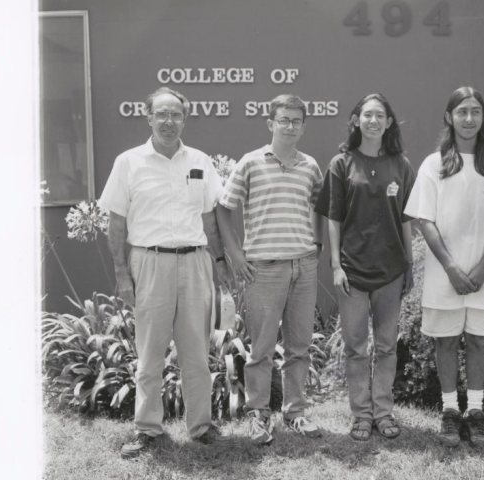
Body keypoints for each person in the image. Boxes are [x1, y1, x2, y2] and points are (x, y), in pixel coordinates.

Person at [99, 87, 236, 459]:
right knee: (150, 353)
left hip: (195, 263)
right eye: (162, 114)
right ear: (149, 118)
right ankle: (148, 429)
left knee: (196, 352)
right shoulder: (128, 162)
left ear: (185, 118)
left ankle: (202, 427)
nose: (169, 121)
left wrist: (220, 263)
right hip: (149, 263)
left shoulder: (200, 161)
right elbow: (116, 222)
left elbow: (209, 218)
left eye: (176, 114)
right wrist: (122, 273)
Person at [404, 86, 484, 447]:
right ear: (448, 117)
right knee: (446, 340)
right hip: (445, 273)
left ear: (483, 117)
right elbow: (425, 220)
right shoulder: (433, 164)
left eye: (475, 112)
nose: (469, 119)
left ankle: (477, 411)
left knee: (480, 342)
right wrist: (452, 268)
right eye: (462, 112)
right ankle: (451, 412)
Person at [216, 94, 324, 445]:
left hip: (303, 267)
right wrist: (235, 252)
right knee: (261, 348)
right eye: (283, 120)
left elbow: (319, 208)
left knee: (299, 347)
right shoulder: (250, 163)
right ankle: (258, 416)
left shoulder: (311, 166)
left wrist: (316, 246)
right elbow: (223, 207)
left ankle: (295, 412)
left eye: (296, 121)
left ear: (304, 126)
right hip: (263, 268)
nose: (290, 126)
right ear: (271, 124)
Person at [315, 93, 416, 441]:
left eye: (380, 115)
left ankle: (383, 413)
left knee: (387, 346)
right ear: (356, 120)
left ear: (389, 122)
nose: (373, 121)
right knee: (356, 347)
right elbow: (333, 218)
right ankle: (361, 415)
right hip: (352, 274)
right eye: (366, 115)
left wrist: (409, 264)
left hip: (391, 271)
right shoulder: (341, 163)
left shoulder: (401, 166)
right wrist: (336, 266)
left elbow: (405, 218)